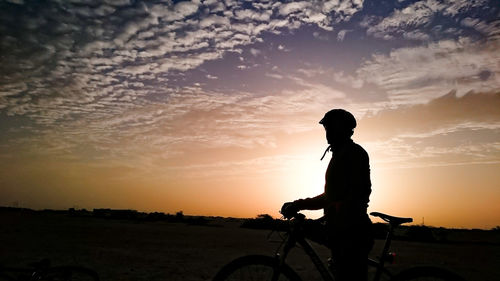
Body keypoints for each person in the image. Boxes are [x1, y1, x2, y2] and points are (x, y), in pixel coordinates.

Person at [281, 108, 373, 281]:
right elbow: (332, 196)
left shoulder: (353, 154)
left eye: (331, 128)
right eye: (326, 129)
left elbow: (345, 195)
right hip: (341, 228)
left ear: (343, 129)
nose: (328, 133)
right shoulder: (339, 154)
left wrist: (299, 204)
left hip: (351, 232)